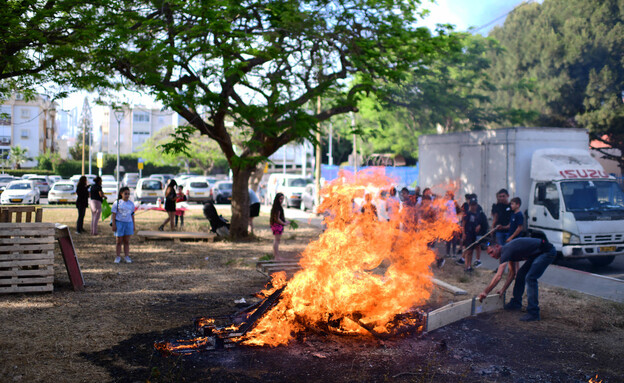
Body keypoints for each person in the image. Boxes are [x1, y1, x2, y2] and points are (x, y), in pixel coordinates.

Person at [479, 237, 556, 321]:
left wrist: (485, 292)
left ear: (497, 246)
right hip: (537, 254)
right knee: (520, 274)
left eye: (491, 252)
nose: (492, 256)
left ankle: (533, 313)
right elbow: (512, 274)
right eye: (489, 254)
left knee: (530, 278)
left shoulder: (506, 251)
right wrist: (503, 289)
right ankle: (516, 303)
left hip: (547, 251)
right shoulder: (508, 252)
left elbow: (498, 276)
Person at [458, 199, 487, 272]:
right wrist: (463, 234)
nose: (473, 207)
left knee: (471, 252)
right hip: (468, 235)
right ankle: (466, 267)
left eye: (474, 205)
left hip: (474, 235)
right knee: (468, 251)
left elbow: (479, 223)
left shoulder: (477, 215)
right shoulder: (467, 214)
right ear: (470, 206)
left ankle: (469, 266)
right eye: (472, 205)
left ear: (476, 206)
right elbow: (463, 225)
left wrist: (478, 226)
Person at [111, 187, 135, 264]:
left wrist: (133, 225)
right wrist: (114, 224)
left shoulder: (131, 204)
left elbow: (132, 215)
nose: (127, 195)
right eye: (125, 193)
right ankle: (118, 256)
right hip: (119, 223)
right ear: (121, 194)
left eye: (128, 194)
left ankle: (127, 256)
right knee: (118, 241)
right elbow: (113, 215)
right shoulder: (117, 203)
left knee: (126, 241)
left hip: (128, 223)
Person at [270, 193, 289, 259]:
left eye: (282, 199)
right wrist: (284, 223)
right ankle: (277, 256)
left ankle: (276, 255)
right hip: (277, 226)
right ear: (277, 199)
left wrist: (285, 221)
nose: (282, 200)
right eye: (280, 199)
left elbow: (279, 218)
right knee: (276, 241)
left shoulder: (277, 207)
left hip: (276, 225)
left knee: (277, 241)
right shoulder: (277, 208)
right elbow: (277, 219)